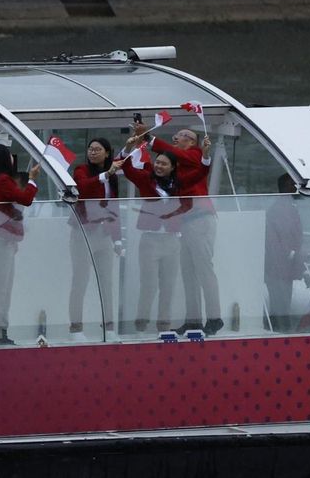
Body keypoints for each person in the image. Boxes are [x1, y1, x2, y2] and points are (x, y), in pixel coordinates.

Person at [132, 123, 219, 334]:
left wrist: (148, 138)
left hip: (200, 218)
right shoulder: (178, 163)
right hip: (186, 223)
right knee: (188, 273)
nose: (177, 138)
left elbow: (178, 156)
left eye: (183, 136)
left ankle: (215, 317)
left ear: (192, 142)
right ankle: (194, 319)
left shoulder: (196, 154)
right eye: (177, 135)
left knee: (203, 269)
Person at [116, 146, 183, 335]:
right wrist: (128, 148)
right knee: (149, 284)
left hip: (172, 240)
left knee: (168, 286)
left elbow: (199, 173)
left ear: (173, 167)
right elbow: (128, 169)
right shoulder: (147, 179)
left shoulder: (179, 184)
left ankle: (164, 325)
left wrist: (205, 156)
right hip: (151, 240)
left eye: (164, 164)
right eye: (157, 163)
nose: (159, 166)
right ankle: (141, 323)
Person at [0, 144, 40, 345]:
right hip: (1, 239)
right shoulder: (3, 180)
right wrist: (31, 180)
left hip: (4, 239)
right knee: (0, 288)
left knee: (3, 287)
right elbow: (25, 198)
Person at [68, 138, 122, 339]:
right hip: (84, 231)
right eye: (90, 149)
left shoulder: (113, 177)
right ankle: (76, 328)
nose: (93, 152)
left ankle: (108, 327)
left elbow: (114, 207)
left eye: (98, 149)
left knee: (107, 283)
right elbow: (82, 188)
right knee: (80, 280)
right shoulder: (81, 169)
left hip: (104, 232)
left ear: (107, 153)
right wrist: (104, 176)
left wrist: (118, 238)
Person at [264, 174, 305, 333]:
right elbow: (280, 239)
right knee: (280, 304)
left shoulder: (284, 208)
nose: (296, 187)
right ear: (285, 187)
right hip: (279, 268)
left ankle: (280, 329)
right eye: (292, 184)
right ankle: (282, 331)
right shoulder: (281, 209)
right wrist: (292, 254)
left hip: (283, 267)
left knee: (282, 302)